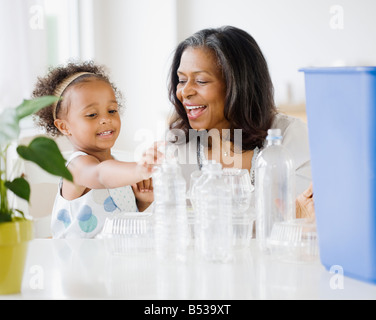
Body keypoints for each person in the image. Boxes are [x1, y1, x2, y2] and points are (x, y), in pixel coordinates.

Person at [165, 26, 314, 219]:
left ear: (239, 84)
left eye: (201, 81)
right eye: (182, 80)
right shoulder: (178, 143)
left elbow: (305, 220)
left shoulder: (290, 137)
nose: (185, 92)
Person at [32, 61, 162, 238]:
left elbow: (118, 221)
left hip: (112, 262)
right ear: (64, 127)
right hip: (77, 264)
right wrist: (139, 169)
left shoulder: (116, 168)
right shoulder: (76, 167)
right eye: (92, 114)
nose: (105, 119)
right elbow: (100, 174)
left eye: (112, 110)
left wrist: (141, 202)